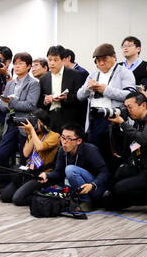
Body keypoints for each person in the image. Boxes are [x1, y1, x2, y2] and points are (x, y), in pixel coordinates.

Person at [77, 43, 136, 172]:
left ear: (114, 57)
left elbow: (130, 95)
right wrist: (88, 88)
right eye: (98, 61)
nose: (101, 63)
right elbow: (79, 96)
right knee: (93, 154)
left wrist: (105, 90)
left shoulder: (124, 73)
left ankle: (111, 185)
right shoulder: (93, 74)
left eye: (104, 59)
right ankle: (96, 182)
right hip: (94, 120)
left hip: (113, 120)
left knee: (111, 156)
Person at [38, 123, 110, 212]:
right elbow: (58, 173)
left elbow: (105, 173)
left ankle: (86, 202)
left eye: (68, 138)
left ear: (78, 141)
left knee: (70, 169)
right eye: (63, 137)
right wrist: (46, 174)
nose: (64, 141)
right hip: (77, 188)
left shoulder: (90, 150)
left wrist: (92, 185)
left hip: (95, 189)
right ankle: (79, 200)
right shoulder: (62, 151)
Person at [0, 52, 40, 186]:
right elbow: (3, 105)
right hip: (10, 123)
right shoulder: (10, 83)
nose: (17, 66)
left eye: (21, 63)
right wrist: (4, 104)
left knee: (24, 157)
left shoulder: (33, 83)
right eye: (15, 63)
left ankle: (23, 186)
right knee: (1, 155)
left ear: (28, 66)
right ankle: (5, 184)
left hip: (24, 124)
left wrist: (11, 103)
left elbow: (31, 105)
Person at [0, 109, 60, 206]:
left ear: (42, 122)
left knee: (17, 199)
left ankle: (41, 196)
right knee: (5, 196)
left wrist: (32, 131)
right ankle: (27, 191)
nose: (32, 125)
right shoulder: (34, 134)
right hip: (29, 172)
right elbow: (26, 153)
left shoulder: (55, 135)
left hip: (41, 175)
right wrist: (32, 133)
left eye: (35, 121)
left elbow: (40, 147)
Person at [104, 92, 147, 210]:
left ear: (143, 105)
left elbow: (143, 140)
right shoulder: (138, 122)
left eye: (130, 107)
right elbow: (129, 147)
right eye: (126, 107)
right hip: (139, 167)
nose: (128, 110)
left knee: (119, 188)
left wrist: (123, 123)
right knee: (108, 202)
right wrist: (117, 126)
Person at [38, 45, 86, 132]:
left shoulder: (75, 75)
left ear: (63, 60)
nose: (52, 63)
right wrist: (45, 100)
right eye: (50, 60)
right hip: (50, 118)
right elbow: (39, 100)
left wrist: (66, 97)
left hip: (69, 118)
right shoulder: (43, 78)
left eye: (55, 60)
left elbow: (81, 98)